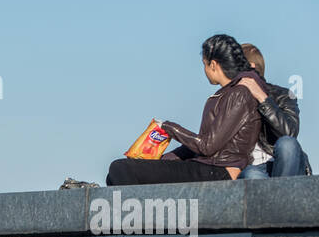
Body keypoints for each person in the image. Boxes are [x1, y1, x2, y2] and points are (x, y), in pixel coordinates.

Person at [106, 34, 263, 186]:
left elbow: (207, 146)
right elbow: (201, 146)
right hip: (207, 166)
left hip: (220, 171)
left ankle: (141, 210)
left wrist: (168, 127)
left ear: (213, 65)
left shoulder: (239, 94)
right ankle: (143, 208)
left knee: (120, 169)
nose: (204, 70)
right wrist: (158, 160)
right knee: (116, 174)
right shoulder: (227, 93)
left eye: (204, 64)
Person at [236, 43, 312, 179]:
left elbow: (290, 132)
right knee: (252, 175)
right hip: (254, 169)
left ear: (251, 67)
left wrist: (263, 99)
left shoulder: (283, 95)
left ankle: (280, 195)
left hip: (286, 165)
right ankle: (279, 197)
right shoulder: (232, 99)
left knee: (287, 144)